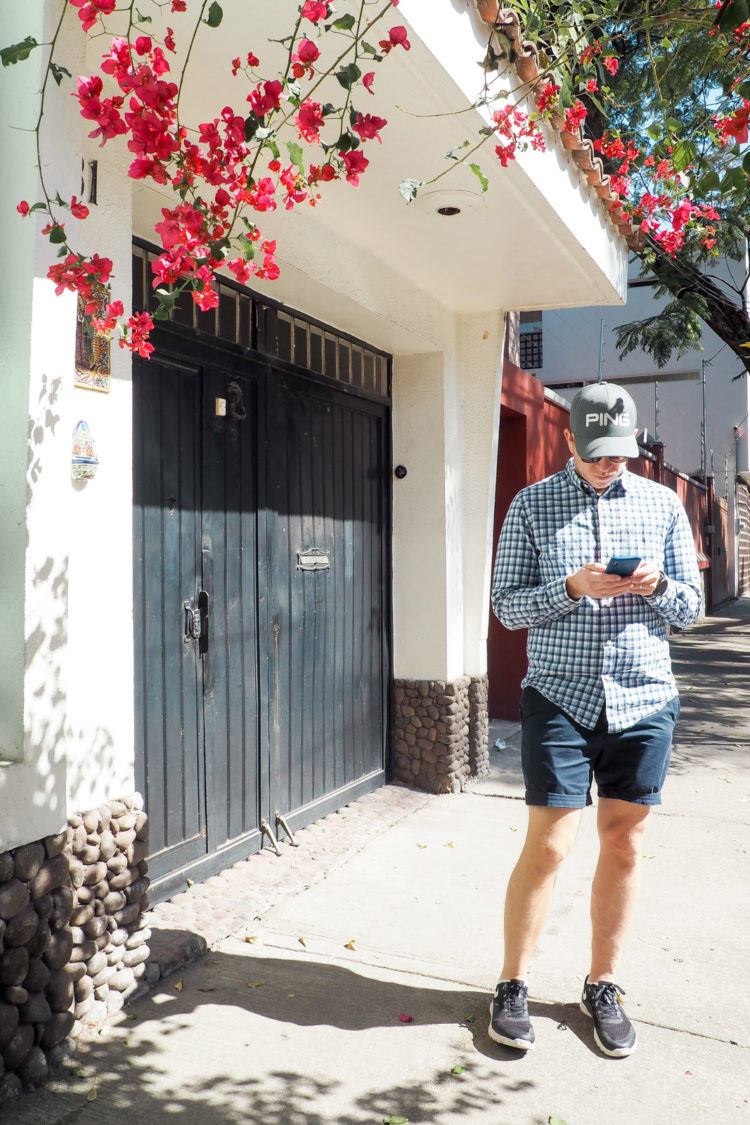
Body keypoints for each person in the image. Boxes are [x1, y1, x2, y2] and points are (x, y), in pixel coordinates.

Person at [488, 381, 702, 1058]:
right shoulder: (532, 505)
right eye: (599, 452)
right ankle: (512, 984)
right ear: (572, 440)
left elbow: (691, 607)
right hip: (560, 695)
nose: (613, 465)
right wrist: (571, 587)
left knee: (624, 842)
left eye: (623, 453)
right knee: (550, 844)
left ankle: (602, 984)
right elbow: (507, 607)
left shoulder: (663, 504)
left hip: (642, 697)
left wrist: (659, 586)